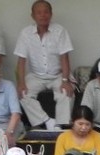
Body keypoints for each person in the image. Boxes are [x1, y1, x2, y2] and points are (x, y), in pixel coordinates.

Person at [13, 0, 74, 130]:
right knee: (22, 93)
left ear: (51, 14)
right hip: (36, 75)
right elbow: (21, 61)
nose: (43, 15)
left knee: (66, 92)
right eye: (39, 12)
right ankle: (47, 121)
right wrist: (21, 82)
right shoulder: (26, 33)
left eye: (46, 12)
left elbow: (65, 57)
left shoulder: (60, 31)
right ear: (33, 16)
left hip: (58, 74)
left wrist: (65, 80)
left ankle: (60, 124)